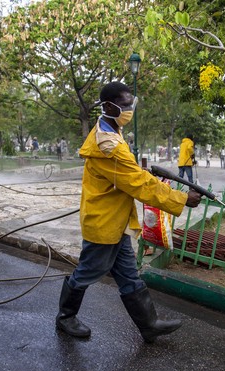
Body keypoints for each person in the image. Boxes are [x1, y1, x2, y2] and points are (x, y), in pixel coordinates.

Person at [55, 81, 201, 343]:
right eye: (124, 105)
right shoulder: (107, 144)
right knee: (88, 271)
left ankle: (149, 325)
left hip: (118, 221)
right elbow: (137, 184)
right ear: (109, 106)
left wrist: (140, 173)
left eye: (130, 104)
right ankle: (65, 317)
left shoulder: (112, 129)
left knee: (128, 274)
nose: (129, 110)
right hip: (104, 222)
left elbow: (130, 175)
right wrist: (181, 198)